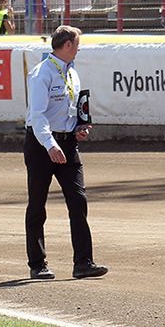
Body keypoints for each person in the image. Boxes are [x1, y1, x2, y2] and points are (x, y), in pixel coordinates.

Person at [24, 25, 107, 281]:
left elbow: (71, 111)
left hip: (67, 144)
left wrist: (78, 129)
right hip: (41, 145)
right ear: (68, 45)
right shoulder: (41, 74)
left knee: (78, 200)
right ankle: (37, 264)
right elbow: (36, 116)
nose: (79, 49)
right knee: (38, 204)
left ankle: (83, 262)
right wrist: (50, 145)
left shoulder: (73, 74)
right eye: (77, 44)